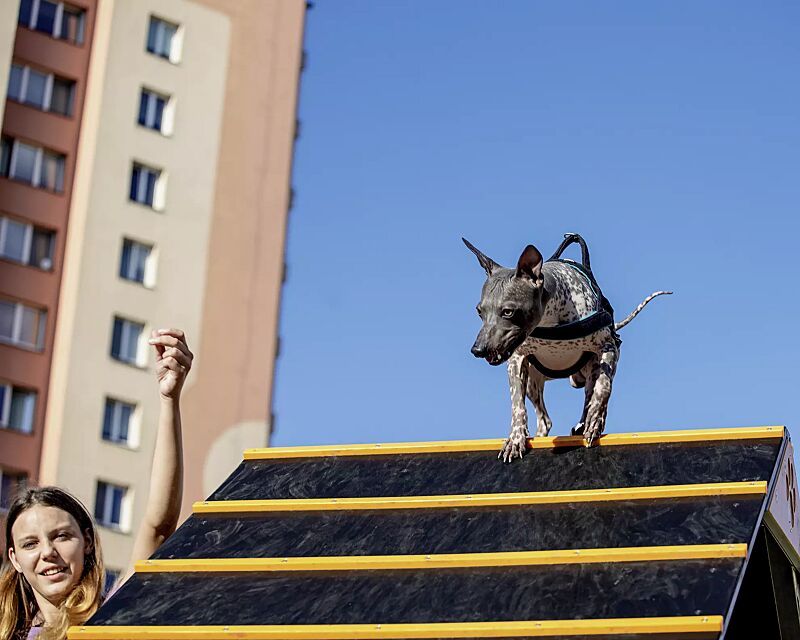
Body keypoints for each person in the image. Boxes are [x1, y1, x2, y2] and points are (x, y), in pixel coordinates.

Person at [0, 329, 193, 640]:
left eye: (61, 536)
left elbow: (158, 527)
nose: (48, 552)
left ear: (87, 541)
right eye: (30, 544)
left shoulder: (110, 618)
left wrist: (169, 399)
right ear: (15, 559)